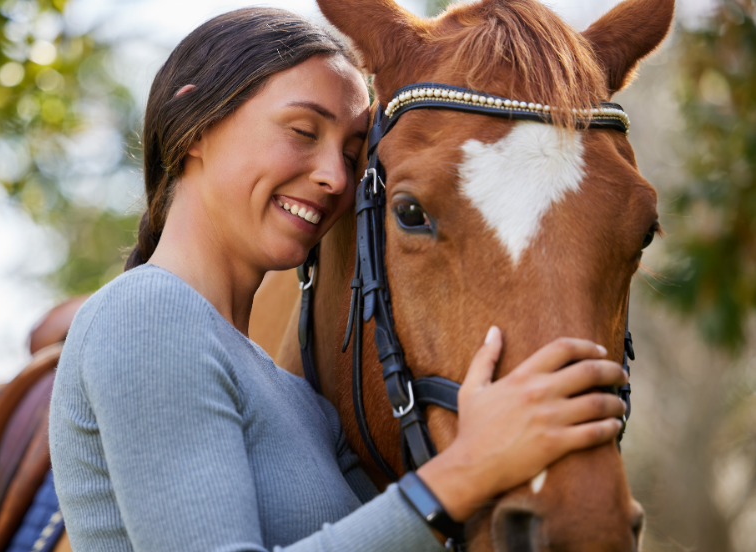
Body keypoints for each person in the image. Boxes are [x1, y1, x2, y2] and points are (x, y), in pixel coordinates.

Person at [48, 7, 628, 552]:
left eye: (353, 154)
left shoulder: (305, 402)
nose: (334, 178)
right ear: (195, 126)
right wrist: (467, 472)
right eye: (304, 131)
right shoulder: (149, 313)